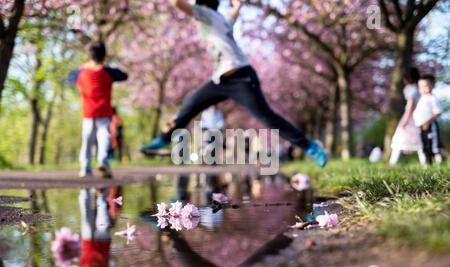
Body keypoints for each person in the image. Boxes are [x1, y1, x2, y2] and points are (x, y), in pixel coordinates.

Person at [140, 0, 328, 168]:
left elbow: (178, 3)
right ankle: (164, 138)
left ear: (202, 5)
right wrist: (236, 5)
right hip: (220, 79)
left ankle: (310, 147)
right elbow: (234, 13)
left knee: (267, 117)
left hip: (241, 78)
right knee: (191, 102)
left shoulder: (206, 14)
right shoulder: (220, 21)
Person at [68, 42, 128, 178]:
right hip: (104, 113)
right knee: (104, 138)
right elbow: (124, 75)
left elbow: (69, 79)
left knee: (87, 140)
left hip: (88, 113)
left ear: (88, 56)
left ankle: (85, 168)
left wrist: (84, 66)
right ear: (104, 56)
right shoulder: (108, 71)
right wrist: (105, 66)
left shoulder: (80, 72)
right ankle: (103, 162)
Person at [389, 68, 426, 166]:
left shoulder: (411, 89)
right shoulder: (419, 88)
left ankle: (392, 163)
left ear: (409, 78)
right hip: (419, 116)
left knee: (399, 140)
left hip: (410, 117)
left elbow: (410, 106)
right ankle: (424, 164)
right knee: (419, 142)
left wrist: (405, 120)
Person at [413, 74, 443, 165]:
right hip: (421, 126)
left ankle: (438, 163)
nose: (422, 89)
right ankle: (426, 163)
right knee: (424, 145)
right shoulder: (422, 98)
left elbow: (437, 112)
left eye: (425, 86)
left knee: (433, 146)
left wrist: (427, 122)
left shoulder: (433, 98)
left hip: (430, 126)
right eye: (420, 87)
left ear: (432, 86)